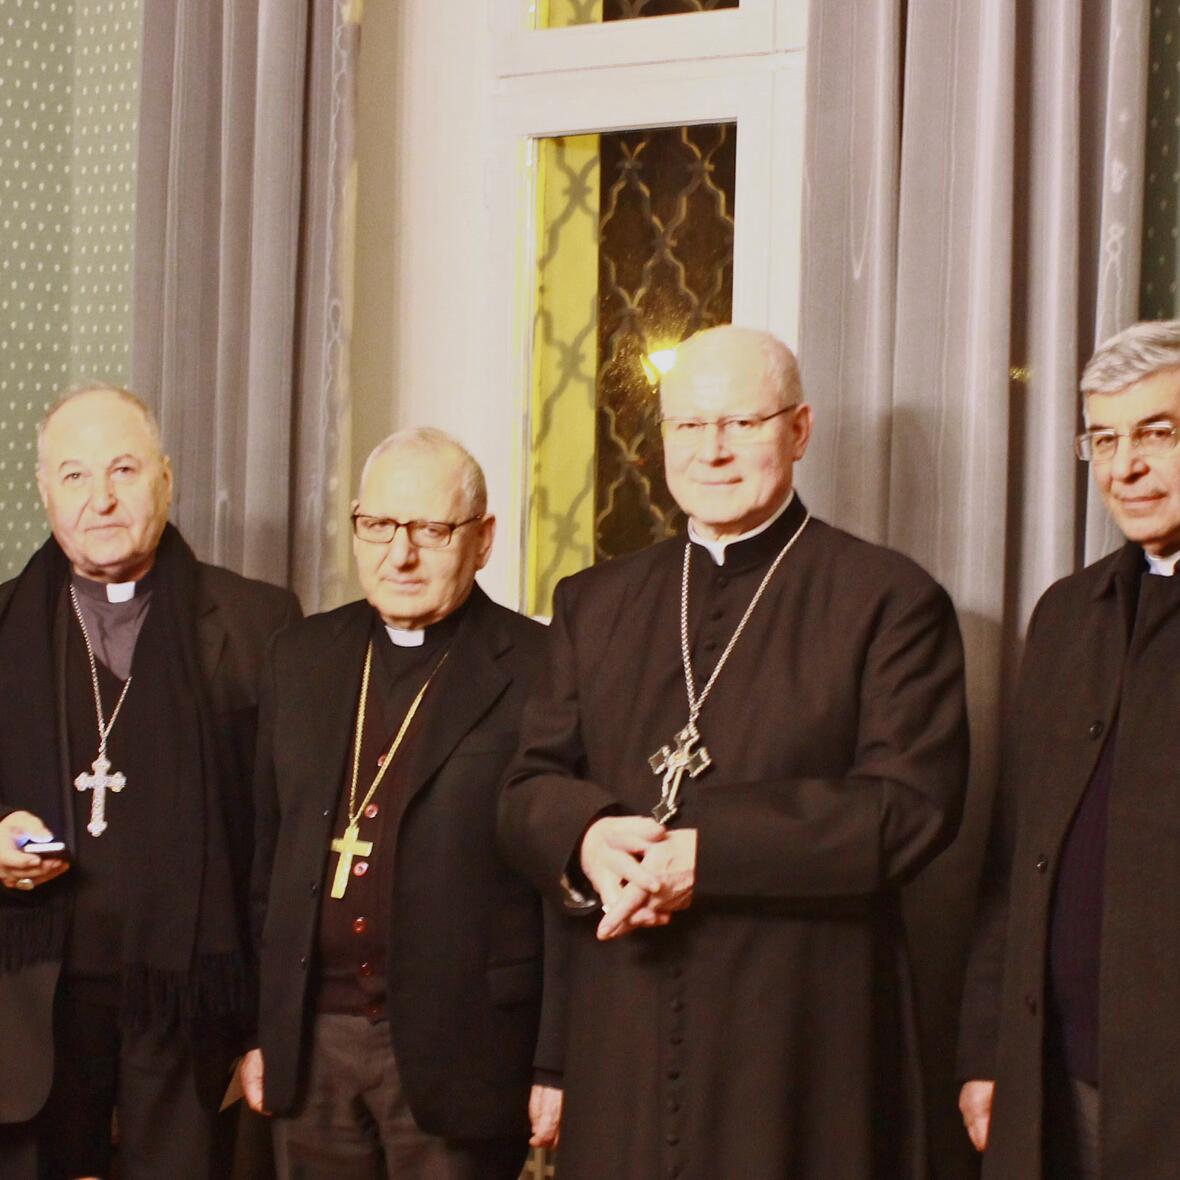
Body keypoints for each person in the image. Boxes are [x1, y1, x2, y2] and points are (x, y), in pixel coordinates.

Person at [497, 324, 969, 1179]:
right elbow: (529, 783)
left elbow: (911, 807)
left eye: (742, 424)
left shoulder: (888, 600)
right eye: (687, 425)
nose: (711, 451)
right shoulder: (595, 602)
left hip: (796, 1034)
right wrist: (587, 836)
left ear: (800, 430)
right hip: (625, 1030)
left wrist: (707, 855)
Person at [0, 385, 300, 1180]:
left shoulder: (259, 624)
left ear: (166, 479)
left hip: (191, 1009)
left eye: (124, 469)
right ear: (43, 491)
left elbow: (284, 837)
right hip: (33, 1008)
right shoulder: (1, 625)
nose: (100, 498)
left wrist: (271, 1022)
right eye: (73, 476)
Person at [245, 427, 563, 1179]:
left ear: (483, 540)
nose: (402, 554)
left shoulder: (542, 667)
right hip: (312, 1042)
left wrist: (556, 1062)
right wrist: (259, 1029)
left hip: (466, 1045)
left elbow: (561, 891)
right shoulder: (301, 657)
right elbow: (266, 860)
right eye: (380, 526)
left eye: (431, 529)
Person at [958, 319, 1180, 1179]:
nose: (1124, 467)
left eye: (1157, 433)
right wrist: (987, 1050)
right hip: (1054, 1082)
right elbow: (1016, 857)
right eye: (1104, 439)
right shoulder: (1066, 614)